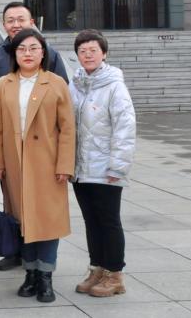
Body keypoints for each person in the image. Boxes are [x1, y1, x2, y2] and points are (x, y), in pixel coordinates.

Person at [0, 28, 75, 304]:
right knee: (22, 220)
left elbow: (67, 129)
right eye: (22, 49)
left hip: (48, 165)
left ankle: (45, 276)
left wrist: (65, 164)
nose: (28, 53)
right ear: (14, 54)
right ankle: (30, 273)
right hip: (15, 165)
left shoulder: (56, 83)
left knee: (48, 221)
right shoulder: (4, 84)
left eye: (33, 48)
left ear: (43, 53)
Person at [70, 29, 135, 298]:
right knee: (91, 220)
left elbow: (125, 127)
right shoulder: (74, 84)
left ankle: (115, 274)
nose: (88, 55)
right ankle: (96, 268)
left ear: (104, 54)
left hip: (106, 168)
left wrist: (118, 166)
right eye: (82, 51)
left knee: (108, 221)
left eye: (93, 50)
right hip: (80, 168)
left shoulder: (115, 86)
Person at [0, 2, 69, 92]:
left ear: (31, 22)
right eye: (10, 21)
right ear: (4, 25)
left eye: (21, 20)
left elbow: (62, 90)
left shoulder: (50, 54)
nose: (16, 25)